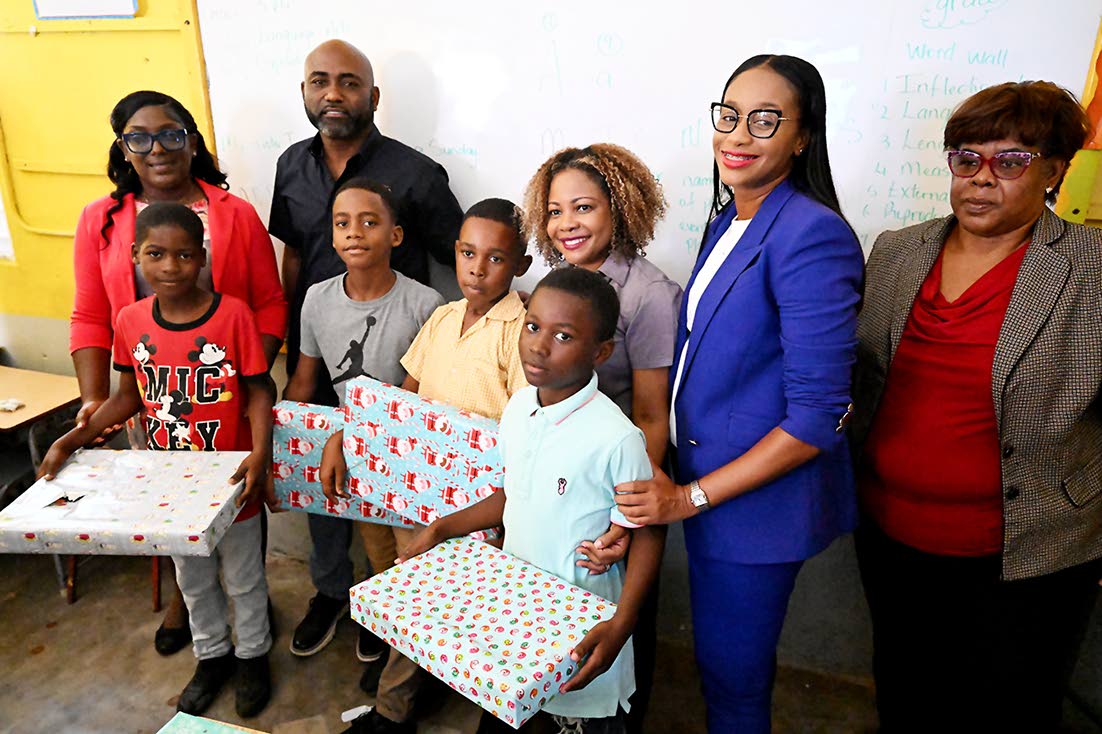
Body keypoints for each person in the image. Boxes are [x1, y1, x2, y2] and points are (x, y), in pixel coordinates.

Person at [611, 56, 864, 734]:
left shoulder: (812, 234)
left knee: (733, 682)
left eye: (765, 119)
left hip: (752, 508)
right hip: (707, 484)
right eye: (729, 114)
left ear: (803, 136)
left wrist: (687, 497)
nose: (738, 134)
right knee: (720, 672)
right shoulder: (731, 218)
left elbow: (816, 419)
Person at [850, 81, 1102, 733]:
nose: (981, 179)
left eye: (1010, 161)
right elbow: (863, 377)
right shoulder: (898, 251)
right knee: (907, 697)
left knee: (1007, 714)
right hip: (892, 538)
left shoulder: (1090, 270)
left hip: (1029, 557)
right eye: (966, 158)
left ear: (1054, 170)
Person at [395, 268, 666, 734]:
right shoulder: (520, 407)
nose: (538, 346)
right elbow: (514, 493)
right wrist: (442, 528)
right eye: (533, 326)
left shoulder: (616, 438)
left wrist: (622, 624)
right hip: (516, 619)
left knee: (573, 713)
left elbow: (647, 531)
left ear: (601, 352)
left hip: (580, 629)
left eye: (563, 335)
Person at [69, 90, 286, 656]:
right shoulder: (102, 218)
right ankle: (190, 612)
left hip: (225, 401)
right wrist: (94, 400)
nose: (157, 148)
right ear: (123, 149)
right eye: (139, 137)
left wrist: (244, 371)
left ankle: (250, 632)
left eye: (170, 133)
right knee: (174, 521)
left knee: (237, 529)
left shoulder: (233, 213)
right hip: (151, 404)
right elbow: (92, 315)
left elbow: (268, 303)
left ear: (192, 139)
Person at [43, 203, 276, 717]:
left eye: (184, 255)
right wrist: (74, 438)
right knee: (191, 579)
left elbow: (260, 391)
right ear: (134, 257)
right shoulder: (129, 320)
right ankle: (211, 655)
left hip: (233, 479)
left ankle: (254, 654)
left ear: (202, 258)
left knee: (244, 578)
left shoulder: (234, 315)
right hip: (169, 487)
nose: (170, 266)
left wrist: (260, 455)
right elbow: (128, 397)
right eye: (156, 254)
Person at [271, 40, 464, 654]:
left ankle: (392, 604)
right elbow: (294, 255)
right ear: (304, 92)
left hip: (395, 373)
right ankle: (333, 593)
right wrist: (288, 344)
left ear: (372, 97)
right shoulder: (289, 168)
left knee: (387, 501)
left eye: (349, 83)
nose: (334, 94)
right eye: (320, 81)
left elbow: (460, 263)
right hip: (317, 348)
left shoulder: (416, 174)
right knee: (319, 483)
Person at [522, 144, 681, 732]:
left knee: (621, 622)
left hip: (619, 479)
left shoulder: (649, 295)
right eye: (556, 211)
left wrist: (628, 517)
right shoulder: (557, 283)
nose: (568, 224)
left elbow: (650, 416)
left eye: (584, 208)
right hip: (564, 479)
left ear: (619, 208)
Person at [283, 178, 443, 733]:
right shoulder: (317, 298)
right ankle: (402, 654)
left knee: (412, 571)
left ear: (396, 234)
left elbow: (419, 397)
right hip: (356, 467)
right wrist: (280, 460)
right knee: (381, 565)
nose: (354, 232)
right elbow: (303, 383)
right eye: (342, 222)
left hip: (404, 465)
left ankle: (407, 690)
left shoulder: (427, 304)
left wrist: (350, 435)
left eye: (370, 221)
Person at [400, 197, 532, 418]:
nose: (477, 270)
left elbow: (523, 420)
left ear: (520, 266)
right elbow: (408, 393)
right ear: (456, 250)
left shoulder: (521, 333)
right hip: (422, 448)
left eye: (495, 259)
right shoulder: (442, 316)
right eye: (468, 254)